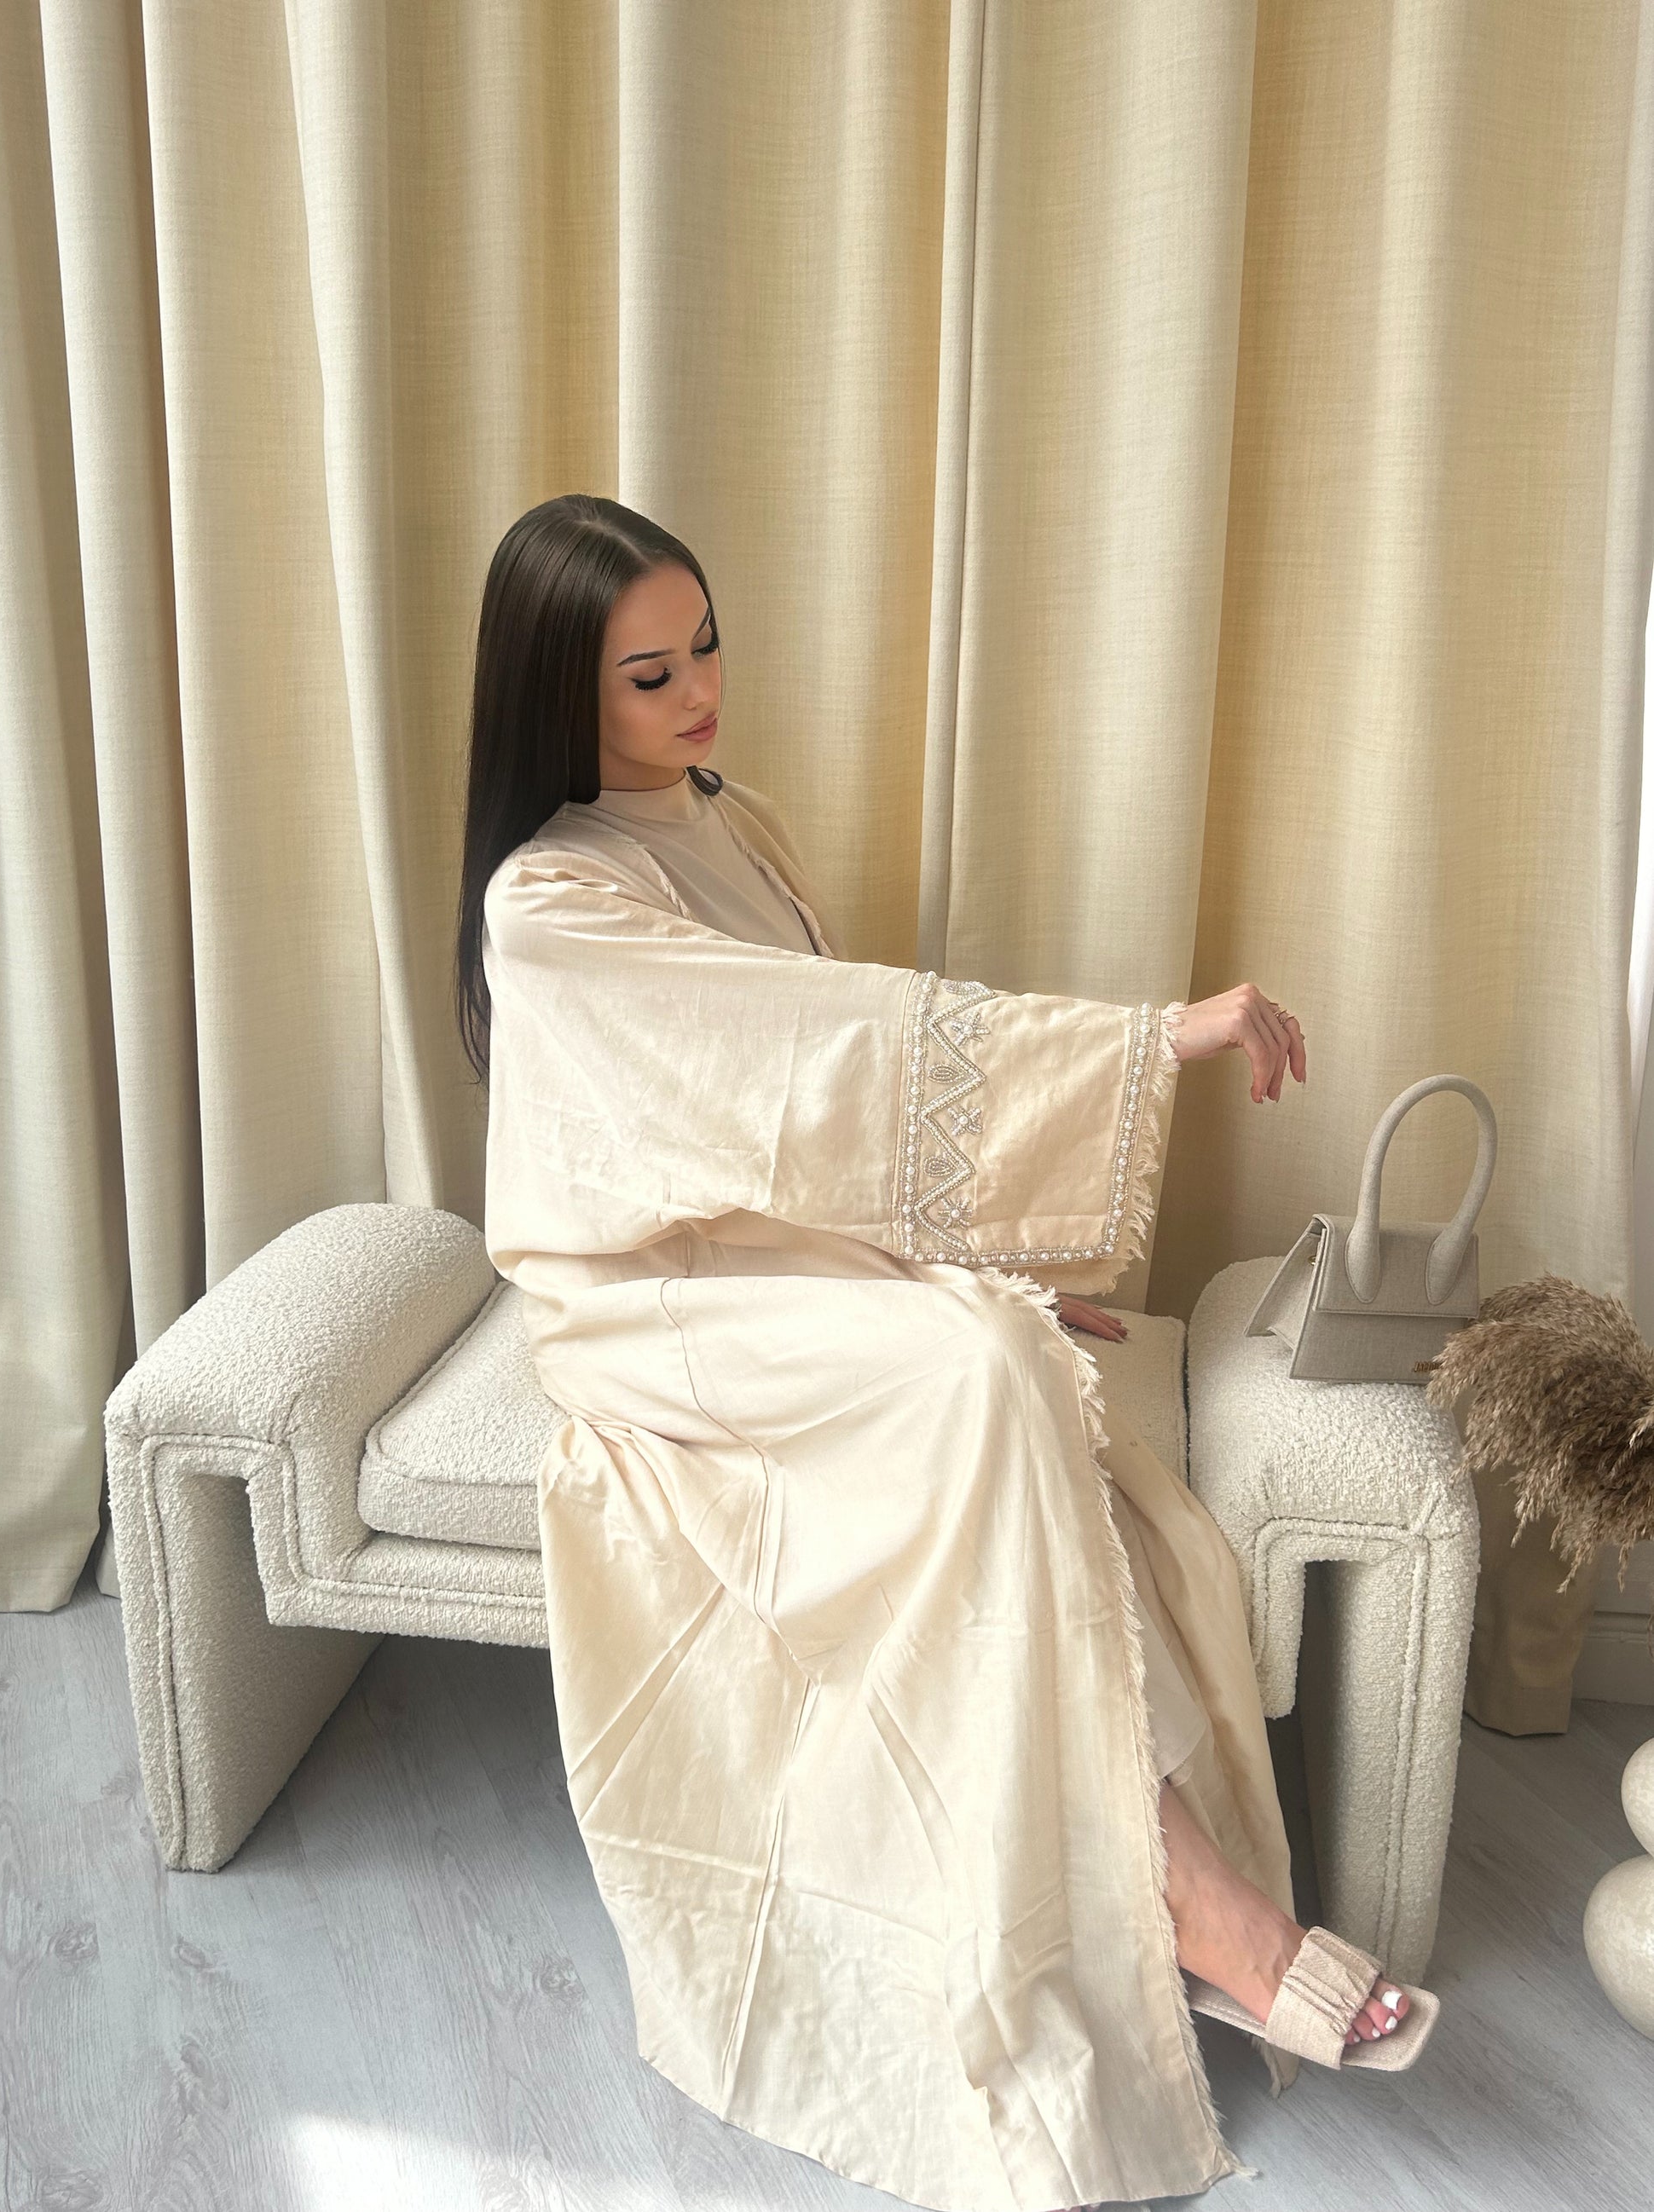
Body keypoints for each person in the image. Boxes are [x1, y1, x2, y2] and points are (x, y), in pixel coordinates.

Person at [454, 494, 1430, 2212]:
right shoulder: (549, 897)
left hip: (783, 1250)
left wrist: (973, 1260)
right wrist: (1149, 1039)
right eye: (650, 674)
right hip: (647, 1298)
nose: (701, 693)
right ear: (560, 690)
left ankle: (1175, 1889)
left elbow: (811, 1124)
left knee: (996, 1348)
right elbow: (813, 1051)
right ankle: (1201, 1902)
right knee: (982, 1372)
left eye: (707, 647)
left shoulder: (734, 821)